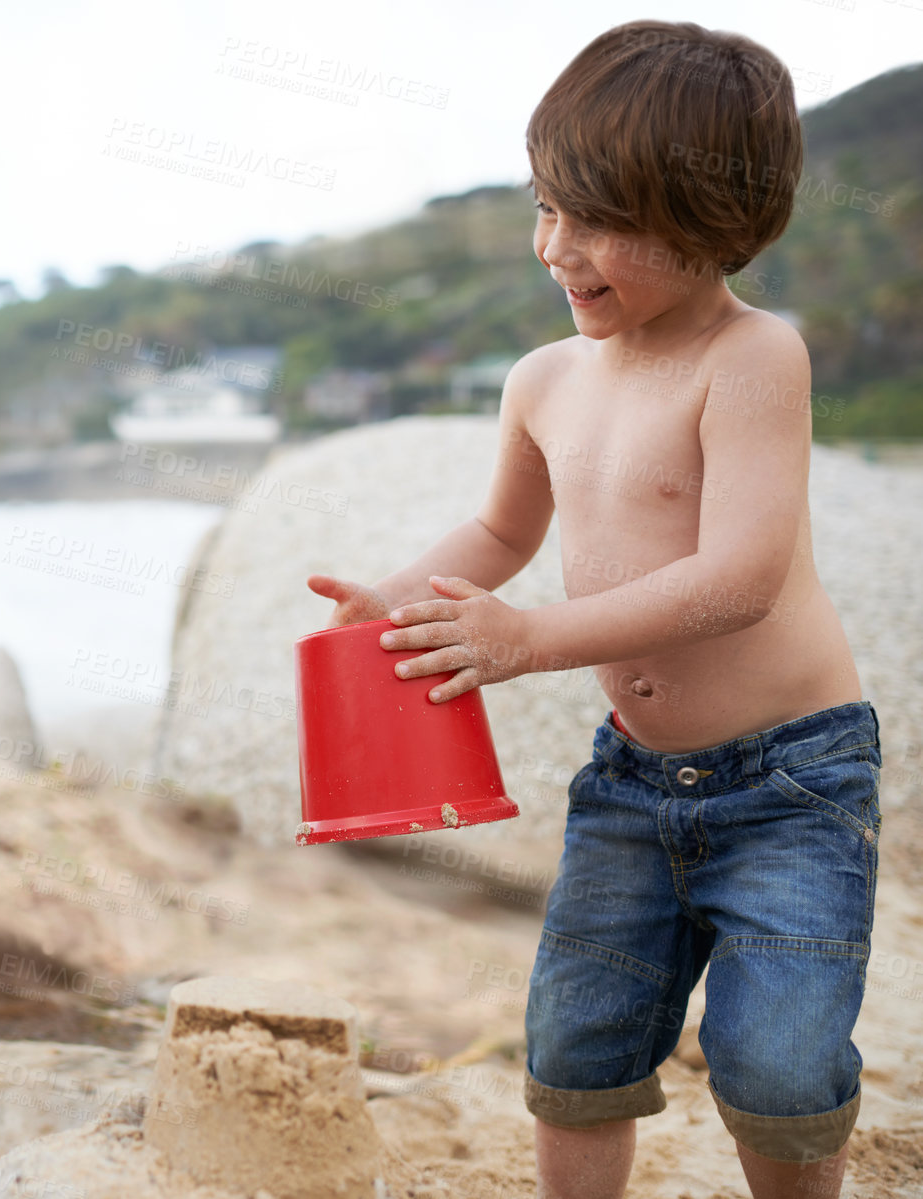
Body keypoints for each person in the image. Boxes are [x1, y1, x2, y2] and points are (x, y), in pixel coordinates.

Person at [308, 21, 876, 1199]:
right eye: (545, 206)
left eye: (597, 219)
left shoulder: (752, 357)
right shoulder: (543, 379)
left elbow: (739, 578)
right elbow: (502, 534)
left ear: (716, 218)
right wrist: (395, 599)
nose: (555, 247)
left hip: (791, 782)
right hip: (630, 781)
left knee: (777, 1056)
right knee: (577, 1033)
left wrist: (533, 641)